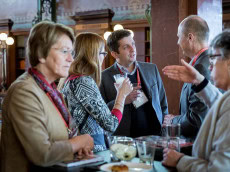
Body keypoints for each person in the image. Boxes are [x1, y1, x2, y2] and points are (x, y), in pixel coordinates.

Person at [0, 21, 94, 172]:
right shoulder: (24, 91)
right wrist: (78, 142)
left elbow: (62, 135)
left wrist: (77, 147)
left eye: (72, 52)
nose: (71, 59)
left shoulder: (52, 91)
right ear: (41, 54)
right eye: (64, 51)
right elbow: (41, 154)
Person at [162, 27, 230, 171]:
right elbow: (221, 104)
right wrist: (199, 81)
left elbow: (221, 169)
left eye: (213, 57)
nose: (210, 64)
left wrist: (180, 160)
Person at [60, 32, 133, 152]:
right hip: (92, 150)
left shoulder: (71, 79)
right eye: (103, 53)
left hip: (82, 146)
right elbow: (111, 124)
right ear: (92, 55)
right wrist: (122, 95)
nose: (104, 57)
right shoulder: (83, 81)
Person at [100, 29, 168, 138]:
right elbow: (101, 112)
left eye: (133, 44)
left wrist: (164, 127)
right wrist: (122, 100)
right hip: (123, 139)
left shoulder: (151, 69)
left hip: (154, 136)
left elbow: (162, 102)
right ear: (114, 54)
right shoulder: (104, 77)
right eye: (126, 47)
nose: (133, 49)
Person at [162, 15, 210, 140]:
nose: (177, 42)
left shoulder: (201, 67)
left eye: (179, 37)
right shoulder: (202, 61)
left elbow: (197, 119)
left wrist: (173, 121)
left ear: (190, 37)